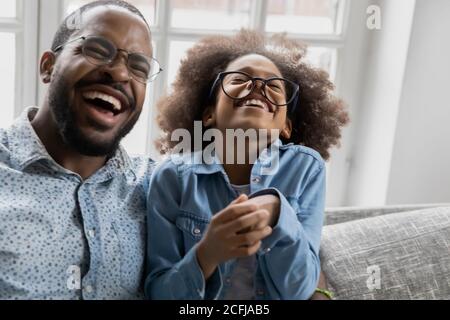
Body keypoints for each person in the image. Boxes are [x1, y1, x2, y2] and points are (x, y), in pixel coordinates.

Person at [145, 30, 348, 300]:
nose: (258, 86)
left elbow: (299, 290)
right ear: (209, 114)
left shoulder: (306, 169)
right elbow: (159, 293)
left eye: (275, 86)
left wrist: (278, 211)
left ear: (286, 126)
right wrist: (206, 254)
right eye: (239, 79)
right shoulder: (172, 177)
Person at [0, 0, 161, 299]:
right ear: (48, 67)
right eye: (98, 50)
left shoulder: (157, 188)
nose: (120, 74)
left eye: (138, 67)